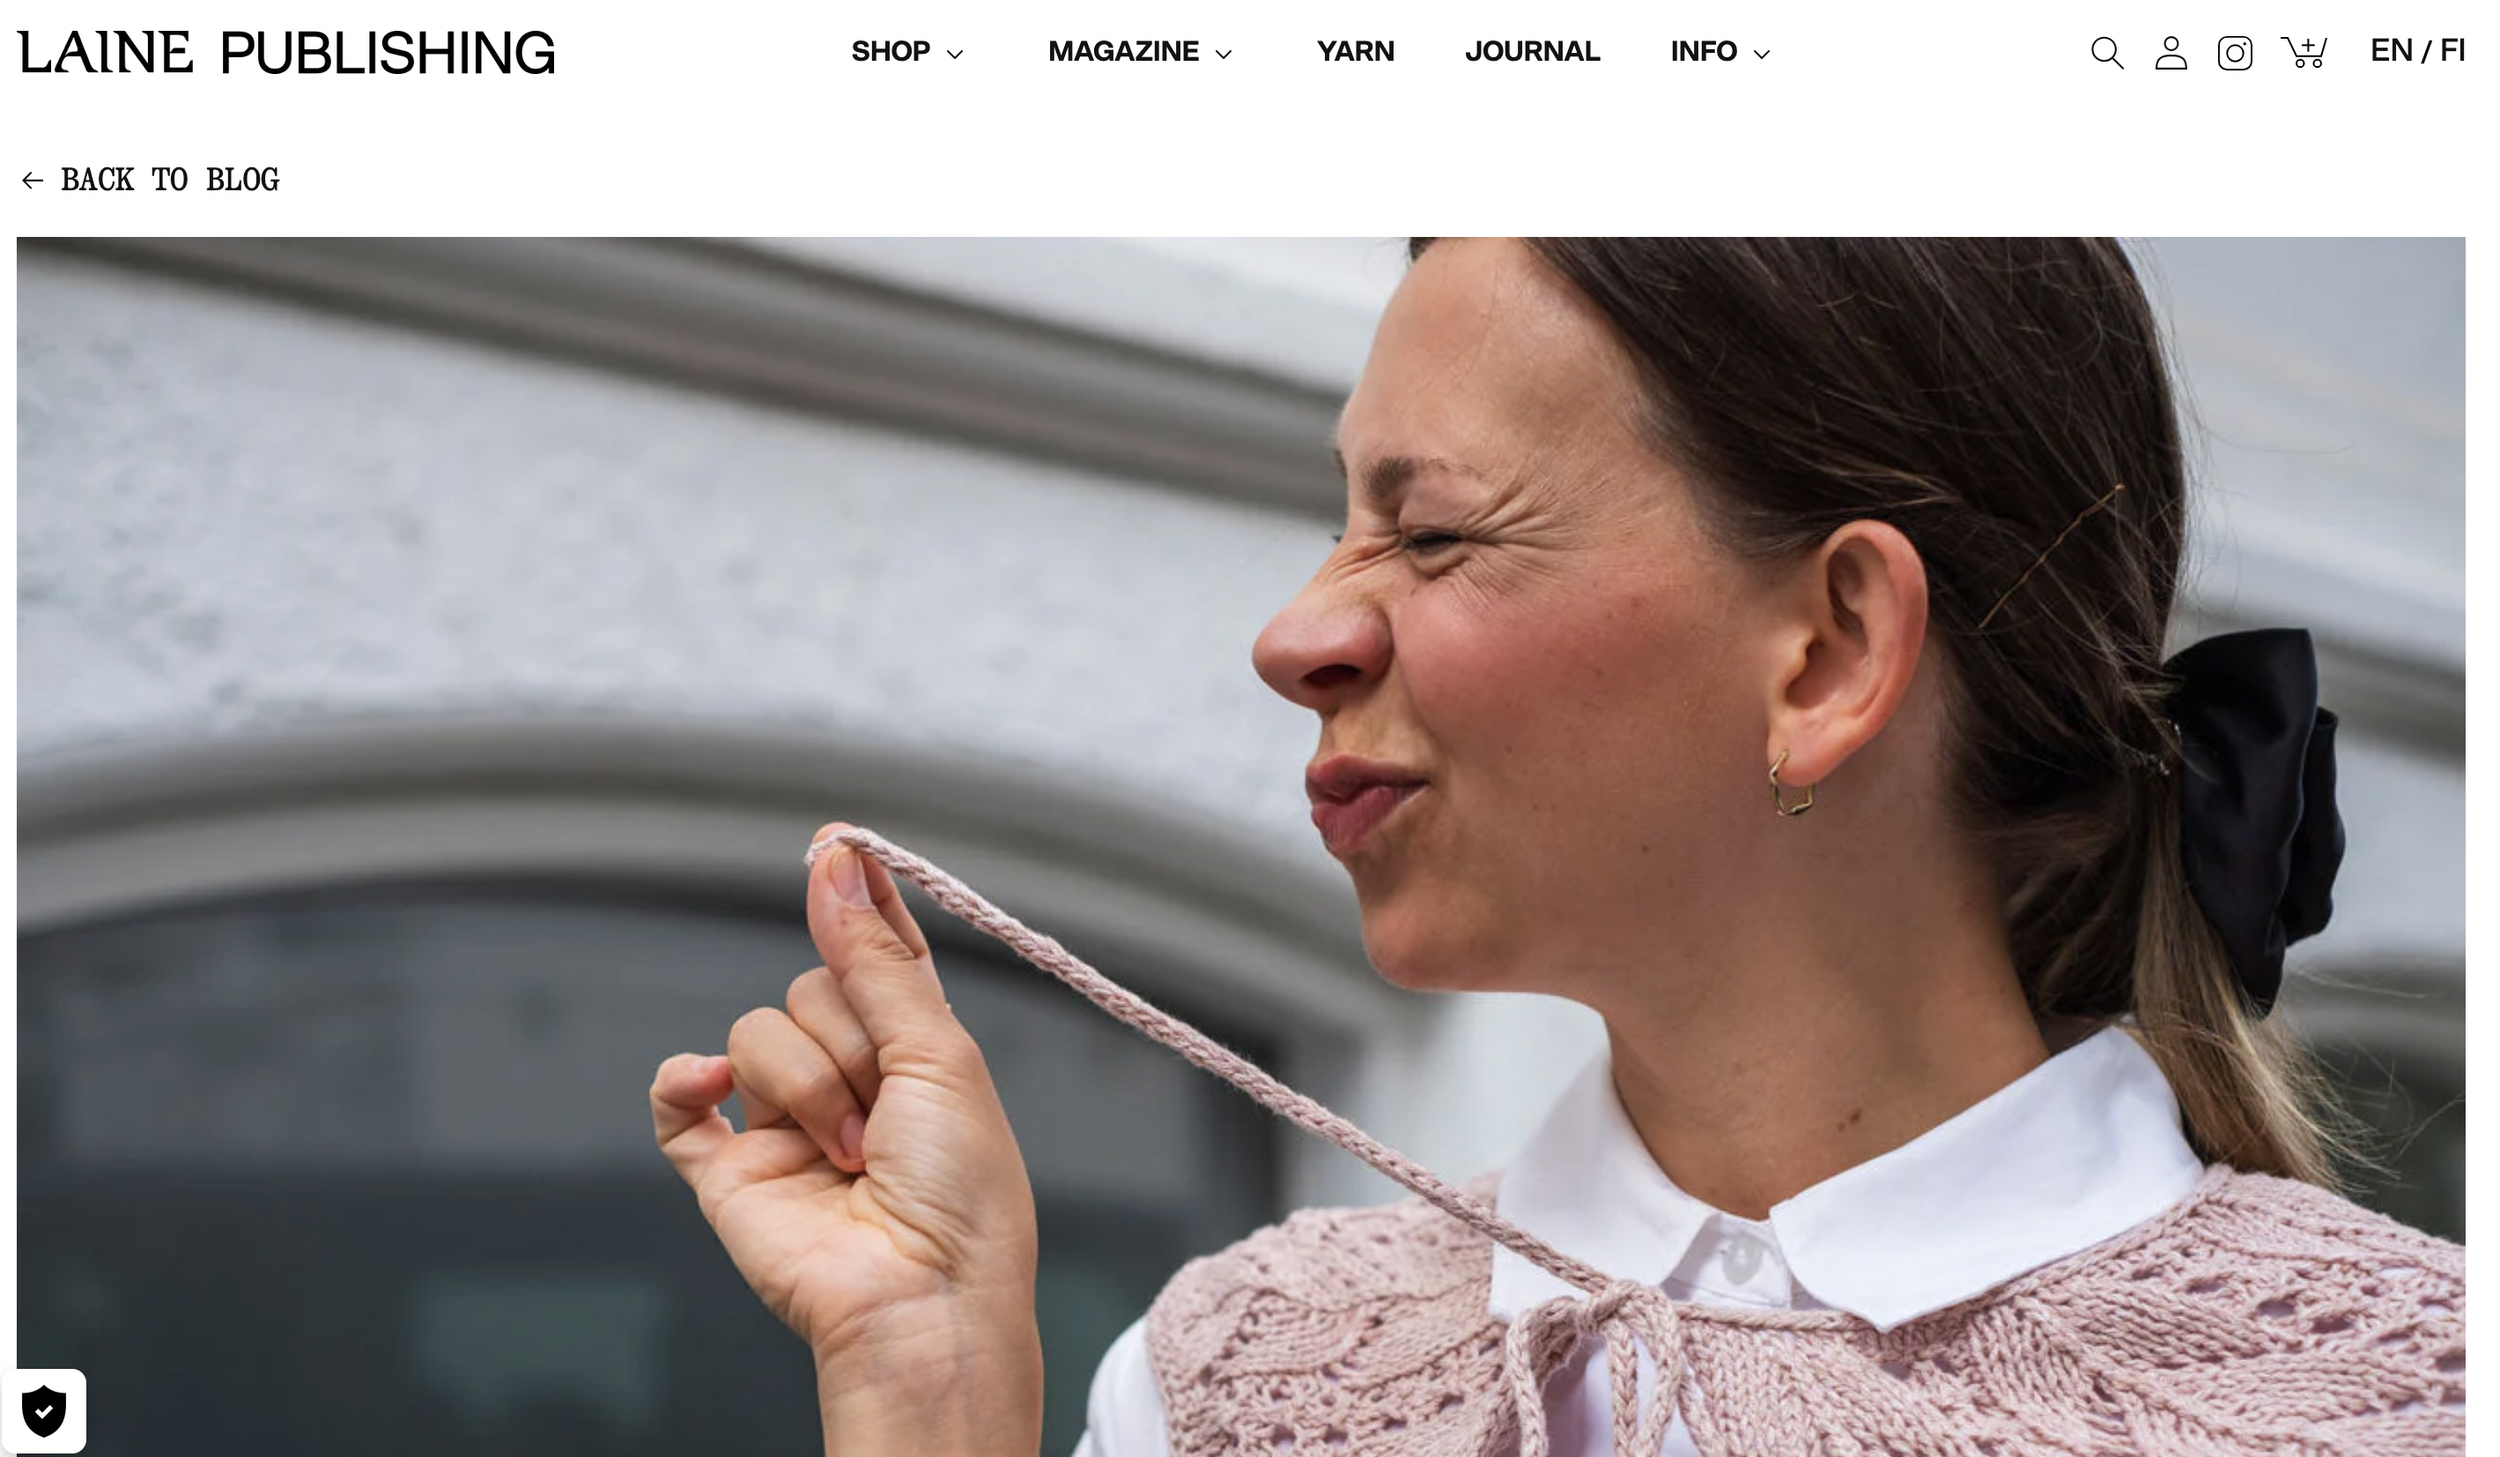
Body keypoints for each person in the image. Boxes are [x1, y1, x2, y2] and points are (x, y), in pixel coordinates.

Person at [648, 238, 2464, 1457]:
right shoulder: (1226, 1389)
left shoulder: (2416, 1401)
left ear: (1830, 652)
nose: (1298, 635)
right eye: (1342, 526)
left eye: (1430, 534)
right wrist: (936, 1404)